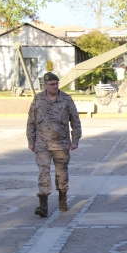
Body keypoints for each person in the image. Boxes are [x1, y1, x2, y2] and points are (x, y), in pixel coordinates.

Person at [26, 72, 82, 217]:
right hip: (42, 144)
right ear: (45, 86)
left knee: (61, 173)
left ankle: (62, 198)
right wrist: (31, 140)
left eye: (57, 84)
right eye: (52, 84)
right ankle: (43, 204)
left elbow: (75, 120)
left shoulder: (66, 99)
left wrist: (75, 140)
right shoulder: (38, 99)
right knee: (43, 172)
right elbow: (31, 121)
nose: (55, 86)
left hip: (61, 144)